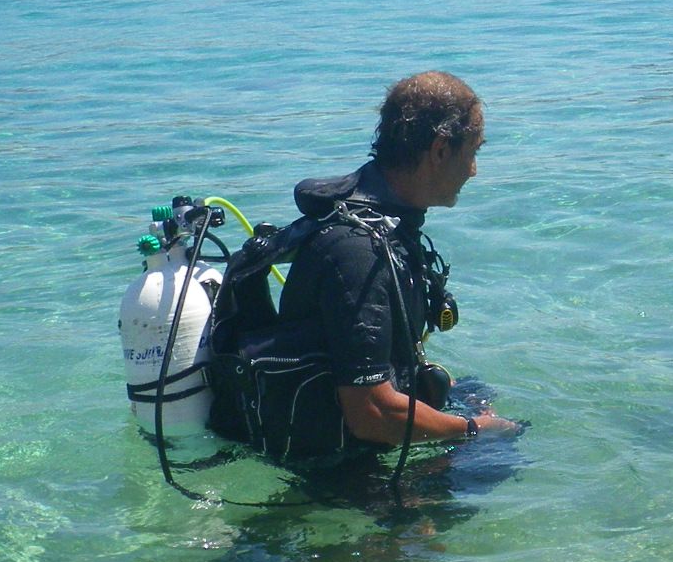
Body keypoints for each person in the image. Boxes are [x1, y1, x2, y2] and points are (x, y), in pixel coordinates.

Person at [209, 72, 520, 466]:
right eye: (473, 151)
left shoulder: (384, 224)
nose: (473, 169)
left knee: (477, 393)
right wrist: (474, 429)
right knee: (502, 458)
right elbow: (371, 413)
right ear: (441, 150)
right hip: (340, 469)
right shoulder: (360, 253)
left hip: (354, 422)